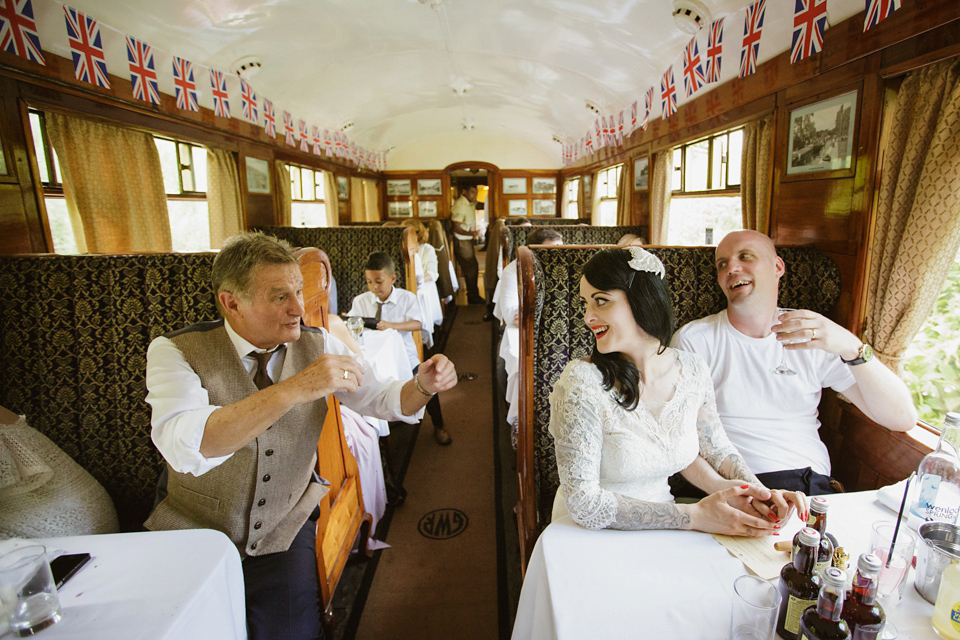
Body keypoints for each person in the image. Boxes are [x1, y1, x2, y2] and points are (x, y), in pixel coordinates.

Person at [144, 232, 457, 640]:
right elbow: (187, 445)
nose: (298, 308)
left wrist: (424, 385)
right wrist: (292, 389)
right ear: (231, 302)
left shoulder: (319, 343)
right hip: (194, 527)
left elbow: (381, 398)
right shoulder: (175, 352)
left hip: (281, 527)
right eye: (279, 297)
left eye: (298, 291)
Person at [550, 247, 805, 534]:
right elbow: (583, 503)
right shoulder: (580, 383)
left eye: (601, 301)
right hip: (589, 532)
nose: (588, 317)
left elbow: (716, 447)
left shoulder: (692, 369)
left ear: (642, 299)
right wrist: (691, 517)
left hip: (665, 529)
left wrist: (761, 494)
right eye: (586, 303)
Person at [672, 230, 917, 495]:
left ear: (778, 267)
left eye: (745, 256)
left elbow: (901, 419)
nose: (731, 267)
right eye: (722, 264)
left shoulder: (815, 333)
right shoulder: (695, 340)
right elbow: (676, 434)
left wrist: (851, 346)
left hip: (808, 485)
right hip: (729, 487)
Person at [348, 252, 452, 446]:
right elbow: (353, 324)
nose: (374, 287)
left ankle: (439, 425)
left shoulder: (406, 298)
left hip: (404, 357)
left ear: (392, 278)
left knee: (428, 385)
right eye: (369, 282)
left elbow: (417, 323)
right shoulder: (360, 301)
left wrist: (391, 325)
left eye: (378, 282)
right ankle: (377, 438)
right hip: (374, 361)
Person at [451, 185, 484, 304]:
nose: (474, 195)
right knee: (470, 269)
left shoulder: (469, 203)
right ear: (464, 191)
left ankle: (473, 294)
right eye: (472, 192)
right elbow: (456, 227)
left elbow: (478, 204)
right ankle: (473, 297)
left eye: (476, 193)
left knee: (473, 267)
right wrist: (471, 232)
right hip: (461, 240)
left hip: (467, 239)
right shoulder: (460, 205)